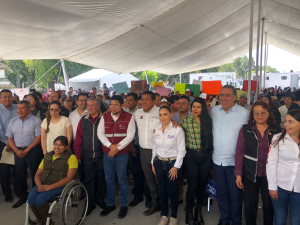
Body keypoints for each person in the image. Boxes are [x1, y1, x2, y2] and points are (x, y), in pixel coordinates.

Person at [235, 101, 281, 225]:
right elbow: (239, 152)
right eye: (256, 113)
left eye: (263, 112)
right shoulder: (246, 129)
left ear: (268, 113)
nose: (259, 115)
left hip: (270, 174)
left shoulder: (276, 129)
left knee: (269, 204)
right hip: (250, 173)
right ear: (252, 114)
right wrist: (238, 174)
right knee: (250, 205)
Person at [211, 85, 249, 225]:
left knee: (236, 195)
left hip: (235, 163)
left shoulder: (244, 113)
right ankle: (224, 219)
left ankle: (236, 221)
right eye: (221, 95)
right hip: (217, 161)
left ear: (235, 98)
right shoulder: (214, 111)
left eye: (227, 95)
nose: (224, 98)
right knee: (221, 194)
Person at [98, 95, 135, 219]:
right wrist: (110, 146)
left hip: (122, 155)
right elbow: (100, 133)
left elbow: (130, 136)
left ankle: (124, 205)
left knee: (122, 180)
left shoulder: (129, 117)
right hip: (107, 152)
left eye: (115, 105)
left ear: (121, 105)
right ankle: (110, 204)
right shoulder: (105, 116)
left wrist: (116, 149)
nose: (112, 107)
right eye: (111, 104)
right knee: (109, 180)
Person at [27, 136, 78, 225]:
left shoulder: (71, 157)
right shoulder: (48, 156)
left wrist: (50, 187)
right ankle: (41, 220)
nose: (57, 147)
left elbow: (69, 178)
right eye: (55, 144)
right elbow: (37, 174)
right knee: (31, 198)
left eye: (61, 145)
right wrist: (39, 186)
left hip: (61, 185)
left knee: (40, 199)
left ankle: (48, 222)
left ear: (66, 147)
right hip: (44, 183)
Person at [152, 106, 186, 225]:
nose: (163, 117)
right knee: (162, 190)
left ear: (171, 114)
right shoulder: (156, 129)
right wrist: (152, 162)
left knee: (172, 191)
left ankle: (174, 217)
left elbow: (182, 150)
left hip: (173, 164)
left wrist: (176, 167)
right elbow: (155, 147)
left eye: (165, 114)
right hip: (159, 163)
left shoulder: (177, 129)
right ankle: (164, 215)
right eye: (160, 115)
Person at [6, 100, 43, 208]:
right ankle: (23, 196)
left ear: (28, 109)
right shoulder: (13, 121)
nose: (19, 110)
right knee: (19, 174)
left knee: (35, 173)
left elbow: (38, 138)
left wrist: (26, 151)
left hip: (32, 150)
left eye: (22, 108)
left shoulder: (36, 120)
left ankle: (36, 196)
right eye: (18, 108)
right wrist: (17, 151)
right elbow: (9, 138)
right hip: (18, 151)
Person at [181, 97, 213, 225]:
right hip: (191, 157)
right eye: (193, 106)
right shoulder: (186, 120)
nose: (195, 109)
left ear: (203, 108)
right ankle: (189, 212)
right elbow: (176, 131)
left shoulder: (208, 120)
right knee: (192, 186)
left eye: (198, 107)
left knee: (201, 185)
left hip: (205, 156)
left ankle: (198, 212)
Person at [73, 98, 106, 215]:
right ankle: (90, 203)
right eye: (88, 105)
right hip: (86, 155)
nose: (89, 107)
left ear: (98, 106)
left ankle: (100, 199)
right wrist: (77, 153)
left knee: (101, 179)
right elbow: (78, 138)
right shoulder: (83, 120)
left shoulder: (104, 119)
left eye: (92, 105)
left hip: (101, 155)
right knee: (89, 180)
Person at [267, 109, 300, 225]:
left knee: (296, 220)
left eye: (290, 122)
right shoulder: (278, 138)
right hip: (281, 187)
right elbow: (271, 163)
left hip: (299, 189)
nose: (286, 124)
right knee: (280, 218)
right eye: (285, 121)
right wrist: (272, 186)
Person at [134, 91, 162, 216]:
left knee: (160, 179)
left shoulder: (160, 112)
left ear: (154, 101)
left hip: (159, 152)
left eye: (147, 99)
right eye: (142, 99)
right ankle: (155, 203)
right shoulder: (137, 113)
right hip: (144, 152)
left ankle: (164, 203)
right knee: (149, 179)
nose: (144, 102)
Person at [125, 93, 150, 207]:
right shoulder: (128, 113)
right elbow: (129, 132)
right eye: (127, 100)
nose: (128, 102)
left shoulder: (141, 112)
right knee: (136, 172)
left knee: (147, 174)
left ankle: (150, 197)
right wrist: (130, 145)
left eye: (131, 100)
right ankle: (138, 196)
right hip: (133, 146)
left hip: (146, 147)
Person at [0, 90, 18, 203]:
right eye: (5, 97)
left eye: (9, 97)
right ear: (0, 99)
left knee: (18, 169)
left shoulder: (18, 108)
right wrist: (8, 142)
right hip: (3, 143)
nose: (8, 99)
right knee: (5, 170)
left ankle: (18, 190)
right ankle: (7, 193)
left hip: (19, 142)